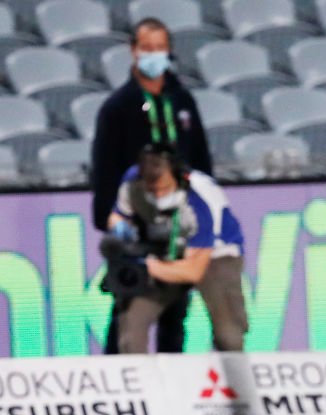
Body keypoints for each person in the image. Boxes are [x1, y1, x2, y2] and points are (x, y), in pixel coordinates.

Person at [91, 17, 213, 355]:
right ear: (133, 51)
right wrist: (111, 219)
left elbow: (201, 161)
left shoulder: (183, 101)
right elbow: (104, 170)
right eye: (147, 49)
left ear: (170, 51)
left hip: (179, 223)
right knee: (128, 312)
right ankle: (119, 390)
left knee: (176, 316)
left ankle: (170, 394)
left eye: (160, 49)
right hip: (136, 224)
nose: (154, 56)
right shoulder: (117, 108)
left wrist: (205, 213)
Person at [105, 143, 247, 354]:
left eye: (163, 189)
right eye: (151, 189)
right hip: (164, 250)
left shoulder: (200, 203)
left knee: (228, 335)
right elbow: (118, 215)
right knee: (130, 330)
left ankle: (236, 381)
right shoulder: (132, 182)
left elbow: (193, 271)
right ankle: (140, 382)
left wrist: (146, 266)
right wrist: (121, 234)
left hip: (214, 255)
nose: (158, 196)